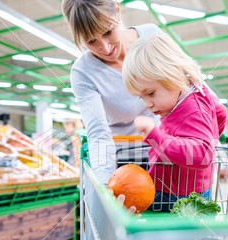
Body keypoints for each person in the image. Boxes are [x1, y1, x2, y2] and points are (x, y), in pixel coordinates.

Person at [122, 33, 228, 210]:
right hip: (177, 189)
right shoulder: (195, 96)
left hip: (177, 197)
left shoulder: (192, 108)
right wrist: (212, 135)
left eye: (150, 93)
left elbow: (203, 155)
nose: (147, 104)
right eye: (142, 98)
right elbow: (220, 113)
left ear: (172, 74)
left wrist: (157, 137)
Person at [62, 0, 162, 184]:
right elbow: (98, 134)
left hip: (167, 153)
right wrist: (107, 184)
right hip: (121, 162)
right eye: (91, 41)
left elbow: (189, 82)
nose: (106, 48)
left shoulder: (152, 37)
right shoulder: (82, 72)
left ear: (117, 10)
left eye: (108, 32)